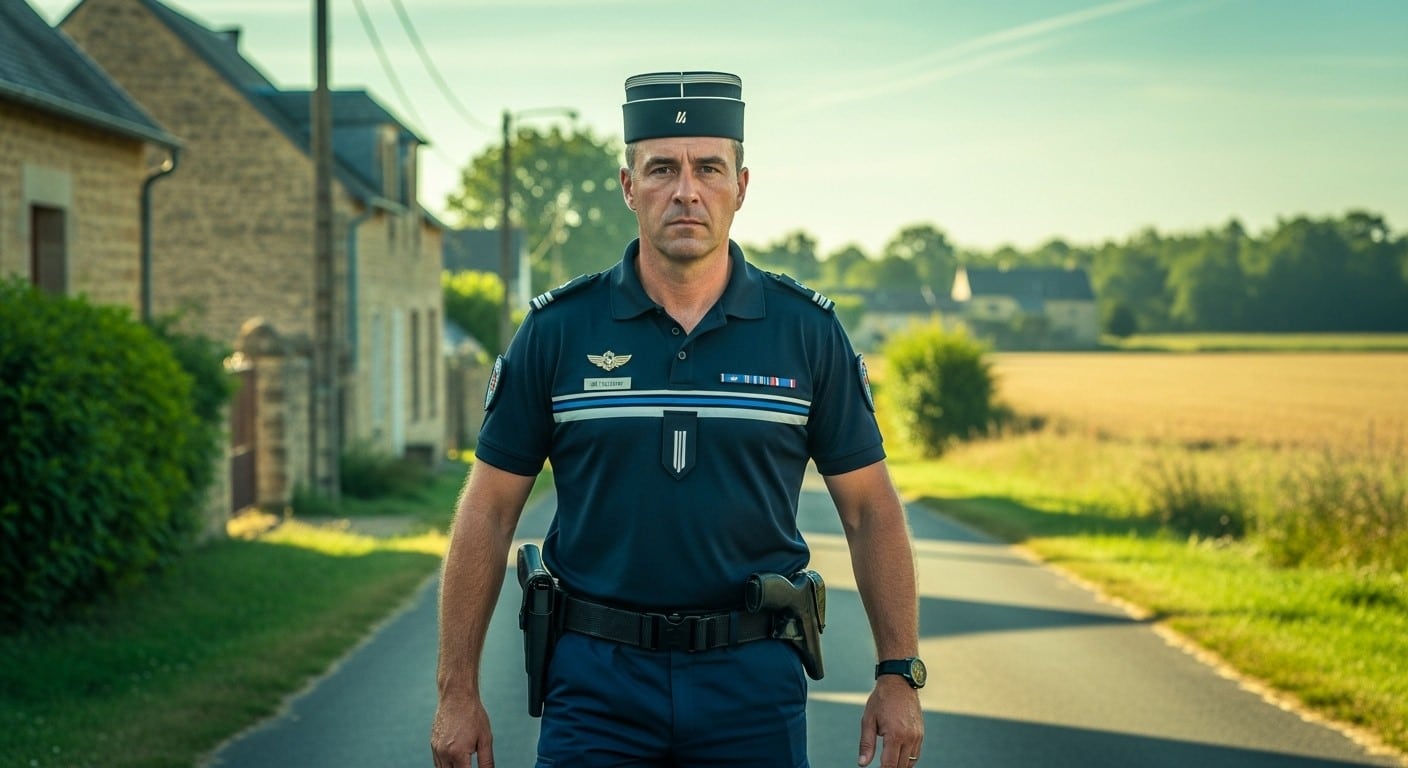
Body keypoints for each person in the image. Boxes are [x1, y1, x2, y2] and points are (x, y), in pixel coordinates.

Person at [431, 70, 925, 768]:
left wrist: (898, 673)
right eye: (661, 168)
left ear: (741, 187)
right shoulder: (556, 331)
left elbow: (871, 510)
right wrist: (457, 691)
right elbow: (486, 511)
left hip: (752, 687)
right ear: (630, 187)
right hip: (595, 688)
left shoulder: (806, 333)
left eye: (708, 168)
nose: (685, 191)